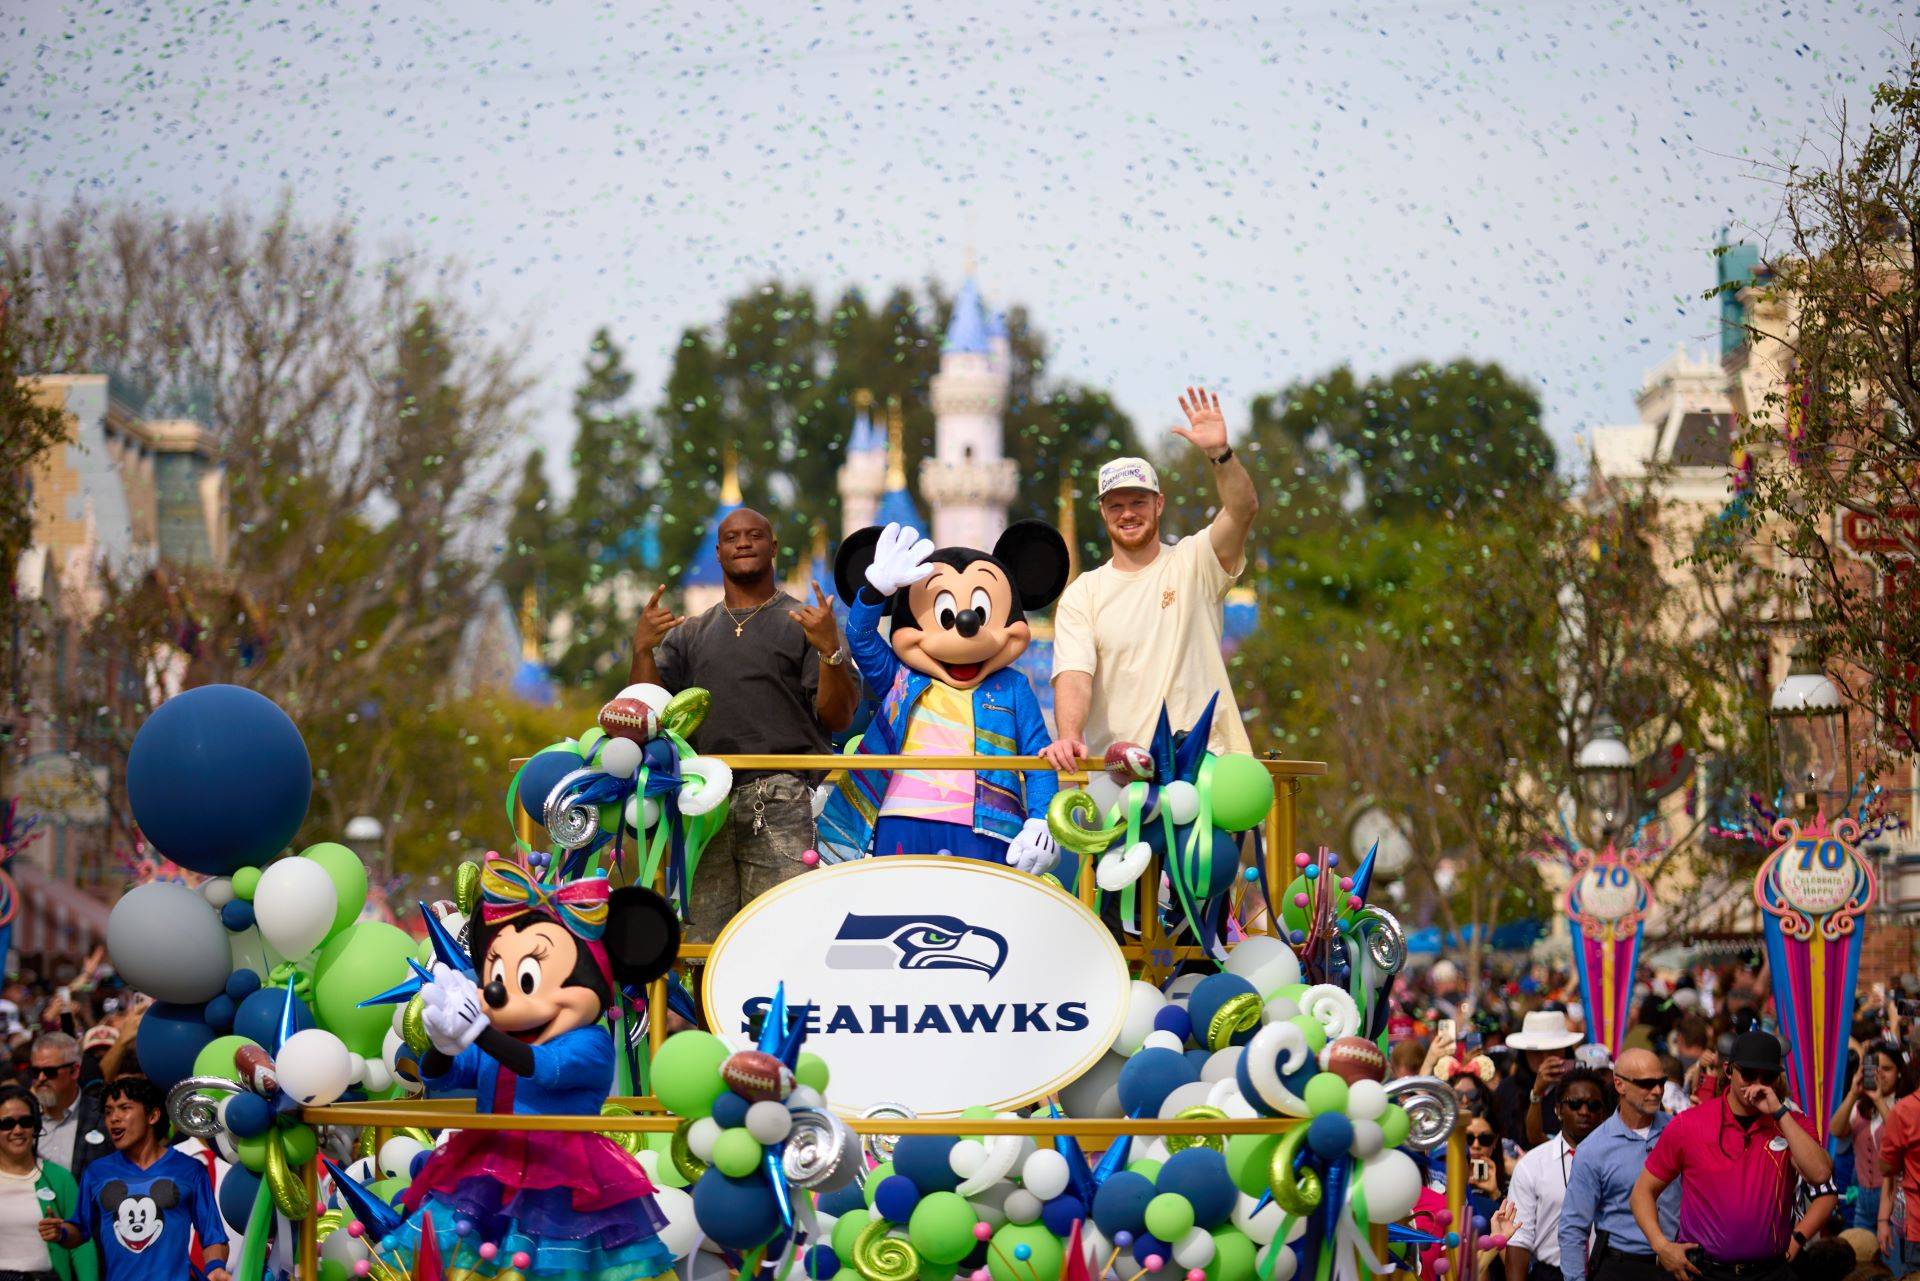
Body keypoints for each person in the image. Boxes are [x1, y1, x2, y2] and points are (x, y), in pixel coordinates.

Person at [627, 506, 858, 939]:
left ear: (774, 548)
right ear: (717, 553)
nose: (744, 543)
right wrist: (641, 650)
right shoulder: (689, 634)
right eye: (732, 538)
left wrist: (830, 652)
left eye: (755, 535)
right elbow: (647, 713)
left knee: (782, 937)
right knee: (702, 944)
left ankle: (777, 1011)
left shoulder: (806, 625)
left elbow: (838, 715)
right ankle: (706, 1012)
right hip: (701, 804)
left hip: (780, 797)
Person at [1041, 386, 1259, 772]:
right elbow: (1074, 674)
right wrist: (1070, 734)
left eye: (1138, 502)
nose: (1128, 514)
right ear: (1104, 512)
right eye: (1117, 505)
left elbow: (1242, 510)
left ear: (1158, 504)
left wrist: (1220, 455)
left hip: (1208, 767)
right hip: (1126, 778)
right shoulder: (1083, 595)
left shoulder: (1195, 562)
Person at [1631, 1031, 1837, 1281]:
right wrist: (1661, 1246)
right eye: (1749, 1075)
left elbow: (1820, 1174)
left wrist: (1779, 1112)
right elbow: (1642, 1192)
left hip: (1770, 1272)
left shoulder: (1792, 1123)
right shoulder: (1689, 1124)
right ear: (1728, 1071)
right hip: (1705, 1271)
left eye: (1768, 1077)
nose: (1757, 1084)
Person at [51, 1077, 229, 1281]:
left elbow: (213, 1235)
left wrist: (215, 1267)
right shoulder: (96, 1172)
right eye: (108, 1111)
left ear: (152, 1115)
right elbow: (79, 1230)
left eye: (124, 1108)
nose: (113, 1118)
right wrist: (61, 1233)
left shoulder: (190, 1169)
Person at [1560, 1048, 1683, 1281]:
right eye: (1647, 1084)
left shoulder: (1679, 1131)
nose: (1657, 1091)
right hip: (1622, 1267)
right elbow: (1574, 1227)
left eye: (1661, 1082)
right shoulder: (1594, 1149)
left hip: (1677, 1265)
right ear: (1619, 1085)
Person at [1508, 1068, 1613, 1281]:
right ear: (1558, 1110)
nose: (1584, 1111)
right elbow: (1519, 1240)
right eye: (1575, 1104)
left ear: (1603, 1113)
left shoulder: (1617, 1161)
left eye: (1593, 1105)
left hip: (1606, 1272)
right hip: (1551, 1274)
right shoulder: (1532, 1164)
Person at [0, 1085, 93, 1281]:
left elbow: (83, 1242)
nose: (17, 1130)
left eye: (25, 1122)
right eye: (7, 1124)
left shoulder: (59, 1178)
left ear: (35, 1126)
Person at [1838, 1042, 1908, 1272]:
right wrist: (1852, 1092)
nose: (1880, 1074)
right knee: (1859, 1265)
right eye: (1875, 1068)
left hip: (1894, 1200)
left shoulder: (1904, 1105)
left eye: (1887, 1069)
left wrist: (1879, 1100)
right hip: (1863, 1200)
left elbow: (1902, 1139)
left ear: (1899, 1072)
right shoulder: (1860, 1107)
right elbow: (1836, 1130)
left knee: (1892, 1266)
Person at [25, 1037, 106, 1185]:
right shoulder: (23, 1120)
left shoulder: (103, 1116)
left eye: (50, 1071)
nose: (41, 1078)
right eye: (35, 1072)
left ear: (74, 1071)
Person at [1499, 1011, 1583, 1149]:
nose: (1545, 1059)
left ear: (1565, 1050)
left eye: (1553, 1051)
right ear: (1524, 1053)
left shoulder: (1581, 1089)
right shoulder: (1507, 1089)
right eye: (1537, 1053)